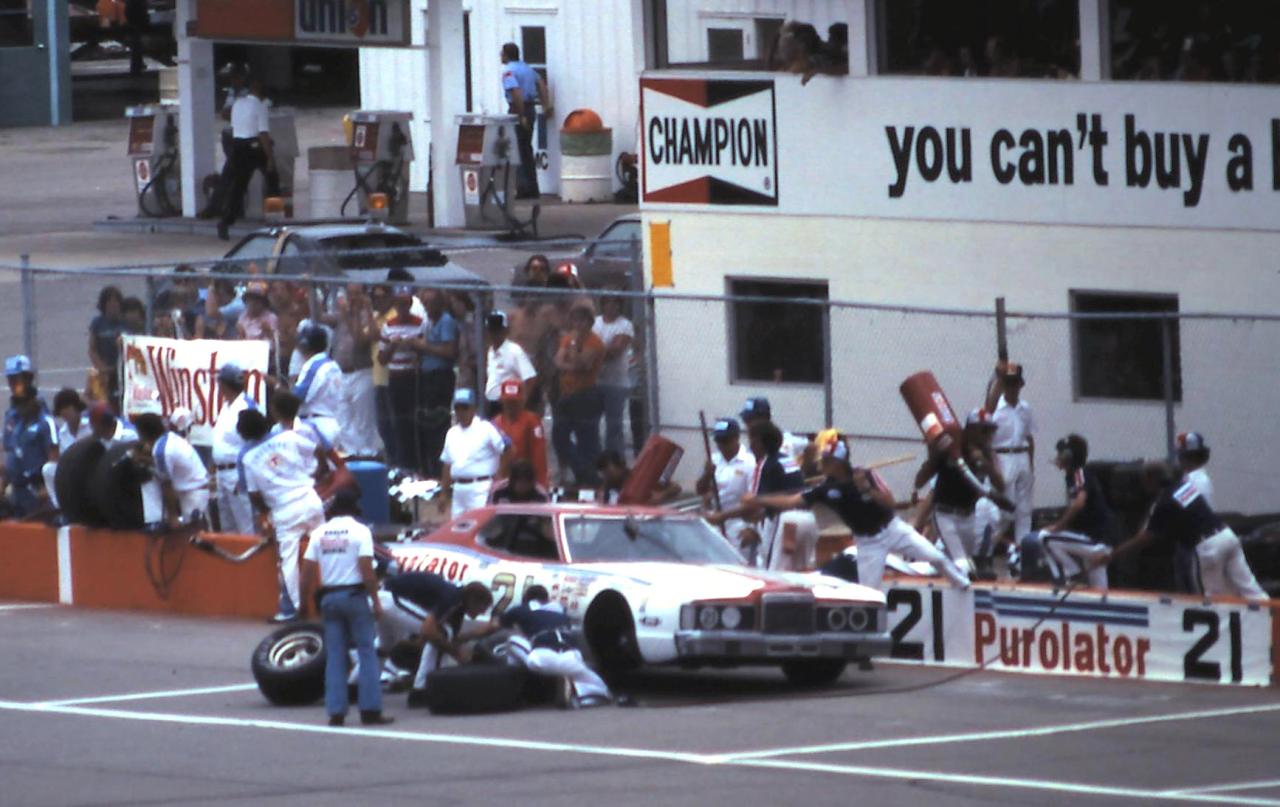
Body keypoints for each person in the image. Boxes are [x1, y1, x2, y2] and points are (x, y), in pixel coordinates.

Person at [748, 431, 971, 592]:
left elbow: (890, 502)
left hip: (892, 529)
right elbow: (792, 500)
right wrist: (758, 499)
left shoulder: (866, 475)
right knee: (869, 593)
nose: (822, 465)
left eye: (826, 461)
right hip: (868, 543)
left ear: (838, 462)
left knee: (937, 557)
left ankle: (964, 586)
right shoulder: (826, 489)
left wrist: (867, 490)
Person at [1100, 463, 1266, 601]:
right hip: (1226, 535)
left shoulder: (1164, 502)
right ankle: (1274, 622)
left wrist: (1114, 554)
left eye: (1144, 480)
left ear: (1151, 479)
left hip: (1207, 547)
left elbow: (1147, 537)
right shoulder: (1184, 487)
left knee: (1210, 598)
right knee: (1250, 588)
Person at [299, 488, 393, 727]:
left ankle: (336, 712)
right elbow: (367, 570)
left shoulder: (319, 533)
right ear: (354, 510)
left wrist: (303, 603)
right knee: (366, 652)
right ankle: (370, 710)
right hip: (354, 596)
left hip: (329, 598)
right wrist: (376, 601)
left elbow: (306, 571)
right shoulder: (360, 531)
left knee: (335, 656)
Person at [238, 403, 327, 623]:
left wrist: (266, 512)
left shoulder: (247, 457)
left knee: (288, 561)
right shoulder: (288, 437)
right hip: (309, 498)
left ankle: (293, 609)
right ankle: (337, 599)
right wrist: (319, 473)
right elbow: (318, 450)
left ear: (243, 433)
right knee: (328, 549)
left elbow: (253, 494)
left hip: (284, 509)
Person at [913, 409, 1012, 574]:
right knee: (962, 564)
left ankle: (923, 569)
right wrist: (934, 456)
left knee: (958, 562)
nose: (988, 436)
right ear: (971, 430)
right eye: (984, 430)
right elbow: (920, 481)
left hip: (968, 515)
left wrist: (984, 464)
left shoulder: (986, 453)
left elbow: (1000, 486)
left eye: (990, 430)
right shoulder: (952, 448)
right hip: (946, 514)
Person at [376, 572, 496, 707]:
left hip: (386, 596)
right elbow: (429, 631)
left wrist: (474, 635)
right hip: (389, 597)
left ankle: (358, 685)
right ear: (473, 601)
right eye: (482, 608)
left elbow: (451, 639)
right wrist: (456, 652)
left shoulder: (458, 603)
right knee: (440, 633)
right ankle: (421, 691)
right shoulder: (453, 597)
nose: (482, 613)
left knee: (385, 647)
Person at [496, 585, 612, 709]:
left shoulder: (521, 609)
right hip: (572, 659)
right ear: (547, 599)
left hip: (543, 658)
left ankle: (514, 685)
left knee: (512, 641)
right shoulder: (562, 611)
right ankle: (576, 691)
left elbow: (495, 625)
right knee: (603, 690)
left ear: (526, 599)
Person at [1028, 434, 1115, 591]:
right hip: (1096, 539)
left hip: (1095, 540)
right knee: (1100, 589)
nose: (1057, 456)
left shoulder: (1079, 474)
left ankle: (1072, 574)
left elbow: (1079, 503)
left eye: (1060, 453)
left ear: (1069, 455)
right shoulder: (1072, 476)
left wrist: (1059, 526)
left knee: (1044, 537)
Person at [216, 75, 278, 240]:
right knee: (272, 180)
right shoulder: (260, 106)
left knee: (238, 187)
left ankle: (226, 221)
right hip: (254, 147)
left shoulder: (238, 103)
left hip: (237, 146)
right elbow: (263, 134)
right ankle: (275, 219)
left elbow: (232, 121)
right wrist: (270, 158)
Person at [985, 361, 1036, 562]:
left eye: (1015, 383)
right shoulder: (996, 408)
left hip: (1021, 455)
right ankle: (986, 548)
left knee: (1024, 509)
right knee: (1003, 511)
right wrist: (993, 464)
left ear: (1020, 384)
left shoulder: (1025, 409)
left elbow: (1029, 438)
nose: (1012, 388)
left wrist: (1031, 465)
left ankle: (1023, 553)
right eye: (1008, 384)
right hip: (1002, 456)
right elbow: (987, 437)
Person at [552, 304, 605, 487]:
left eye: (582, 320)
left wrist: (573, 347)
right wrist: (570, 365)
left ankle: (589, 479)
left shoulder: (594, 342)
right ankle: (582, 472)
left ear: (589, 322)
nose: (578, 324)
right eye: (575, 320)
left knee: (587, 440)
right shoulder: (567, 338)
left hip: (585, 394)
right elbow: (558, 361)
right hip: (566, 393)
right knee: (559, 437)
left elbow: (581, 364)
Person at [327, 283, 381, 457]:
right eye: (350, 293)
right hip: (342, 374)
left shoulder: (370, 316)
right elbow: (318, 317)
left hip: (362, 372)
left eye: (357, 293)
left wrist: (357, 313)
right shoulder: (340, 315)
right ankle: (352, 452)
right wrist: (311, 289)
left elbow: (360, 340)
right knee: (343, 417)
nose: (353, 297)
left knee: (363, 419)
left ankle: (368, 454)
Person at [439, 388, 510, 518]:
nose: (461, 412)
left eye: (465, 408)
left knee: (479, 523)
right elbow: (447, 463)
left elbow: (506, 449)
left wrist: (500, 475)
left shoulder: (486, 428)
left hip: (481, 487)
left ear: (473, 409)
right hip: (458, 489)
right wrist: (444, 493)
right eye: (458, 408)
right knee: (457, 526)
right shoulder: (452, 433)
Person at [377, 285, 426, 471]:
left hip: (413, 377)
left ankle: (417, 464)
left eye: (405, 304)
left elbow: (425, 351)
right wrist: (393, 346)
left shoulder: (420, 323)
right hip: (395, 377)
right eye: (399, 304)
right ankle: (402, 464)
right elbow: (382, 359)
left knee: (415, 422)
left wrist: (414, 346)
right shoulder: (388, 326)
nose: (402, 308)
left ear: (411, 304)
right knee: (398, 422)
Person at [2, 355, 57, 518]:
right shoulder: (11, 417)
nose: (13, 385)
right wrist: (3, 484)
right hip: (16, 492)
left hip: (38, 492)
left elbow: (54, 457)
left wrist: (47, 487)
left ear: (28, 379)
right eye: (10, 380)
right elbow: (10, 453)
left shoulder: (44, 420)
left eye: (17, 379)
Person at [695, 417, 757, 560]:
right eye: (718, 440)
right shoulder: (714, 460)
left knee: (736, 563)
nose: (721, 445)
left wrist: (752, 528)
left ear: (736, 438)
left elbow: (755, 499)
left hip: (739, 523)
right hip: (713, 520)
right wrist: (707, 475)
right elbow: (700, 490)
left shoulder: (750, 462)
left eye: (725, 440)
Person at [131, 412, 209, 525]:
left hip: (193, 494)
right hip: (194, 489)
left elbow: (167, 485)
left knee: (193, 532)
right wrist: (144, 459)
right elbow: (169, 463)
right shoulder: (170, 438)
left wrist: (173, 516)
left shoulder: (161, 451)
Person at [210, 363, 259, 534]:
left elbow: (255, 444)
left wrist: (246, 477)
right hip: (222, 474)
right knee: (228, 527)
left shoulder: (246, 407)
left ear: (223, 384)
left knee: (247, 527)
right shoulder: (226, 406)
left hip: (238, 474)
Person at [500, 42, 551, 199]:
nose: (500, 56)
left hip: (518, 109)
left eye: (502, 53)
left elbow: (516, 92)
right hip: (530, 108)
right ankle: (532, 187)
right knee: (526, 148)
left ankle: (523, 188)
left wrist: (520, 114)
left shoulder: (509, 71)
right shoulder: (527, 69)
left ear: (506, 55)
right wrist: (546, 105)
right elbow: (541, 84)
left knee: (517, 149)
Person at [418, 290, 460, 477]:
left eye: (429, 303)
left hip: (440, 376)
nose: (426, 307)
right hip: (426, 376)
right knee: (425, 422)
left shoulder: (446, 321)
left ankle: (438, 469)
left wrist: (423, 346)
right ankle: (427, 466)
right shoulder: (428, 322)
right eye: (424, 303)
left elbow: (450, 351)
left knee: (438, 422)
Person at [593, 295, 635, 457]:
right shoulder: (594, 322)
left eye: (616, 303)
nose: (612, 306)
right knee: (590, 424)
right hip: (593, 381)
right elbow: (584, 344)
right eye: (608, 302)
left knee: (614, 426)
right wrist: (595, 351)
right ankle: (594, 460)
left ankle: (616, 461)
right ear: (603, 304)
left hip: (616, 384)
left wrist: (592, 353)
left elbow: (615, 351)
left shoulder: (625, 325)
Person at [292, 325, 342, 448]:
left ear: (305, 345)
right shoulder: (333, 365)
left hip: (316, 425)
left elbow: (297, 398)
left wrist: (276, 386)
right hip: (333, 423)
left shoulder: (314, 365)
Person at [491, 379, 548, 488]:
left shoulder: (532, 421)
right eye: (508, 401)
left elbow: (539, 457)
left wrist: (541, 486)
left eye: (514, 402)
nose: (511, 406)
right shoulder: (494, 424)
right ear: (501, 401)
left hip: (525, 481)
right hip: (502, 482)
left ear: (522, 401)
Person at [484, 311, 537, 418]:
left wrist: (521, 403)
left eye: (497, 330)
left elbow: (530, 378)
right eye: (491, 330)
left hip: (508, 405)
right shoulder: (490, 351)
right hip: (491, 405)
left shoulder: (514, 351)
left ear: (505, 330)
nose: (494, 334)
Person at [88, 286, 126, 406]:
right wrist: (102, 368)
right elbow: (92, 349)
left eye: (116, 302)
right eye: (109, 302)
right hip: (103, 370)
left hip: (122, 369)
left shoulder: (125, 323)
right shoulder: (97, 323)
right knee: (99, 400)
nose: (113, 305)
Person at [1176, 431, 1213, 506]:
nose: (1179, 459)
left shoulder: (1195, 479)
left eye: (1181, 455)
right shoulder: (1198, 477)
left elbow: (1176, 506)